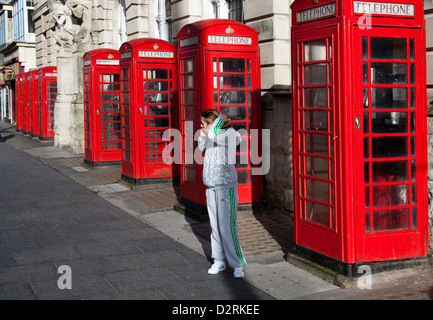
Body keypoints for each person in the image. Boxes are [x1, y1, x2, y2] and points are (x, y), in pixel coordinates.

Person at [198, 108, 246, 278]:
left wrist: (219, 121)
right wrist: (206, 130)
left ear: (214, 123)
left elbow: (214, 136)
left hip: (227, 187)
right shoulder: (205, 134)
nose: (201, 126)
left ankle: (237, 264)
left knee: (228, 227)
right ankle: (218, 260)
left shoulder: (230, 133)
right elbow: (202, 144)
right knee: (215, 227)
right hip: (211, 186)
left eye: (204, 123)